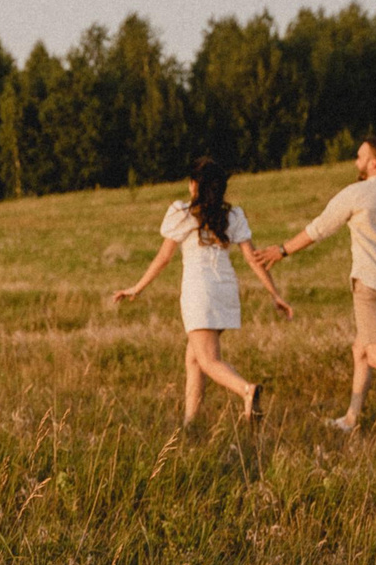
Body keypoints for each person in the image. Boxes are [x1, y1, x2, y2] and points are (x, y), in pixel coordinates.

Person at [259, 133, 376, 431]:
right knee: (361, 349)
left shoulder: (356, 193)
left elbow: (319, 228)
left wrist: (282, 250)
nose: (355, 161)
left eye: (359, 156)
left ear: (373, 162)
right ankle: (351, 419)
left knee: (374, 351)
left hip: (369, 286)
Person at [111, 157, 292, 425]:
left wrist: (137, 287)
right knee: (194, 358)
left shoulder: (182, 213)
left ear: (194, 185)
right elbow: (253, 259)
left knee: (207, 359)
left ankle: (246, 390)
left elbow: (163, 258)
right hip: (225, 289)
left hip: (199, 290)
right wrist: (275, 294)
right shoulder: (232, 215)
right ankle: (190, 422)